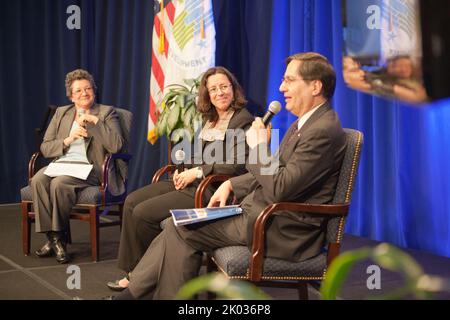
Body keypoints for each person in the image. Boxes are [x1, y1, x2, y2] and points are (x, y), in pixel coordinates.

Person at [114, 52, 347, 300]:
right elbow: (277, 169)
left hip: (279, 228)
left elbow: (280, 187)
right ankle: (130, 296)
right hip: (260, 212)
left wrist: (258, 148)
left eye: (289, 80)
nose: (281, 87)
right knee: (176, 225)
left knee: (180, 229)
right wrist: (232, 184)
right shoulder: (304, 124)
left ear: (315, 86)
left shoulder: (321, 131)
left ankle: (131, 296)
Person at [106, 66, 254, 291]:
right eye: (213, 89)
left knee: (143, 213)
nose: (219, 93)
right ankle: (135, 271)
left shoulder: (243, 121)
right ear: (207, 94)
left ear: (233, 89)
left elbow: (236, 164)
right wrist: (181, 169)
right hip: (192, 182)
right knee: (131, 202)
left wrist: (196, 172)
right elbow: (198, 154)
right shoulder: (210, 118)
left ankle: (145, 277)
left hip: (210, 189)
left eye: (224, 87)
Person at [30, 69, 124, 264]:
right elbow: (46, 147)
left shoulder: (106, 113)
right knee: (38, 179)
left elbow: (116, 145)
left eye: (88, 88)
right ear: (71, 96)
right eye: (79, 90)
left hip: (91, 169)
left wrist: (96, 122)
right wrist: (67, 140)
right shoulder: (61, 113)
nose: (84, 93)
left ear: (94, 91)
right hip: (63, 164)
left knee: (59, 184)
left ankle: (55, 241)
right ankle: (56, 239)